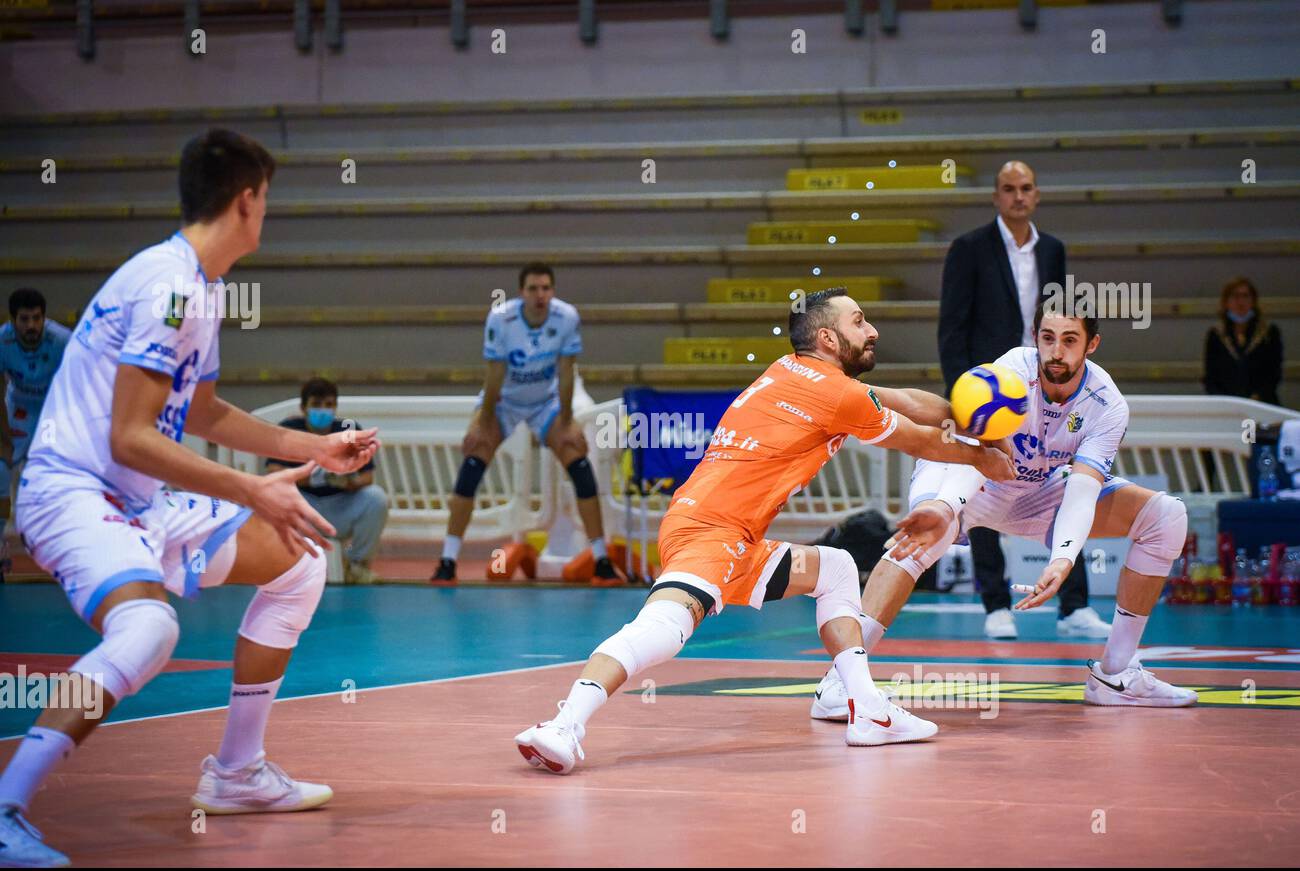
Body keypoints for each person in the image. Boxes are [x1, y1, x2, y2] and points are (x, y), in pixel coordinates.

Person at [0, 129, 379, 868]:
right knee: (148, 631)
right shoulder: (170, 287)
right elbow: (129, 437)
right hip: (72, 491)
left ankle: (236, 773)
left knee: (298, 558)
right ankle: (6, 803)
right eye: (266, 198)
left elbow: (200, 414)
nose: (266, 211)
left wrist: (314, 449)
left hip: (136, 499)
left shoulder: (196, 287)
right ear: (246, 201)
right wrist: (249, 489)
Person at [514, 288, 1015, 774]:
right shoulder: (837, 395)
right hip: (712, 530)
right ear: (826, 338)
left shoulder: (791, 371)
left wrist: (969, 414)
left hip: (729, 534)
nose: (873, 331)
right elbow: (921, 441)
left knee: (837, 570)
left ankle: (870, 711)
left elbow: (906, 401)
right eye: (859, 321)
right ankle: (564, 726)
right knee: (663, 629)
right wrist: (985, 456)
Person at [810, 310, 1197, 723]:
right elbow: (975, 451)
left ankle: (1116, 675)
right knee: (923, 539)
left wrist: (1063, 558)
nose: (1056, 350)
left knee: (1167, 517)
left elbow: (1083, 491)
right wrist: (944, 507)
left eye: (1069, 340)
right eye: (1047, 337)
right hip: (970, 470)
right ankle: (840, 680)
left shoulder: (1107, 404)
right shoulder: (1011, 370)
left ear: (1092, 344)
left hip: (1038, 490)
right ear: (1035, 337)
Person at [937, 160, 1108, 641]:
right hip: (991, 391)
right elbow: (952, 329)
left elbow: (1065, 317)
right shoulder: (969, 249)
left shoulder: (1053, 249)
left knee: (1062, 483)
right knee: (986, 484)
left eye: (1026, 188)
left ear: (1036, 194)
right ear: (996, 196)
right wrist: (962, 400)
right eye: (1008, 189)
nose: (1017, 196)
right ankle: (995, 604)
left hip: (1045, 381)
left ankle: (1074, 607)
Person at [432, 263, 618, 585]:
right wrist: (483, 420)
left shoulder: (567, 318)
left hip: (546, 403)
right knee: (472, 463)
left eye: (546, 288)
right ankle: (447, 561)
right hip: (505, 401)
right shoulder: (501, 319)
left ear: (553, 291)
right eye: (533, 289)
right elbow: (494, 374)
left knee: (580, 465)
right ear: (522, 293)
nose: (540, 295)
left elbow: (566, 371)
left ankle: (601, 560)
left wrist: (567, 420)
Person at [266, 377, 388, 584]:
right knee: (275, 497)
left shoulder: (348, 432)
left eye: (329, 405)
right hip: (303, 506)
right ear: (304, 408)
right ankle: (290, 568)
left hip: (341, 506)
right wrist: (313, 479)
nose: (323, 410)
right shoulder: (289, 429)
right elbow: (274, 471)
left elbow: (367, 477)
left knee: (376, 498)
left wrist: (349, 483)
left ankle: (357, 566)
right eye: (316, 404)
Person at [0, 288, 70, 579]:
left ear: (44, 318)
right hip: (19, 410)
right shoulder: (1, 341)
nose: (31, 326)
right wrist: (4, 443)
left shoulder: (63, 341)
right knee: (0, 470)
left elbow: (75, 385)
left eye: (37, 319)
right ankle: (0, 551)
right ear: (13, 320)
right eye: (24, 319)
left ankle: (67, 549)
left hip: (54, 408)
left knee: (62, 476)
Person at [1203, 276, 1283, 406]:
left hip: (1263, 404)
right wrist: (1225, 402)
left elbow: (1274, 374)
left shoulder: (1268, 333)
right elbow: (1210, 377)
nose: (1240, 302)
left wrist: (1256, 399)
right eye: (1235, 296)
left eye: (1245, 296)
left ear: (1253, 300)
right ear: (1226, 302)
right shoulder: (1216, 335)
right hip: (1226, 407)